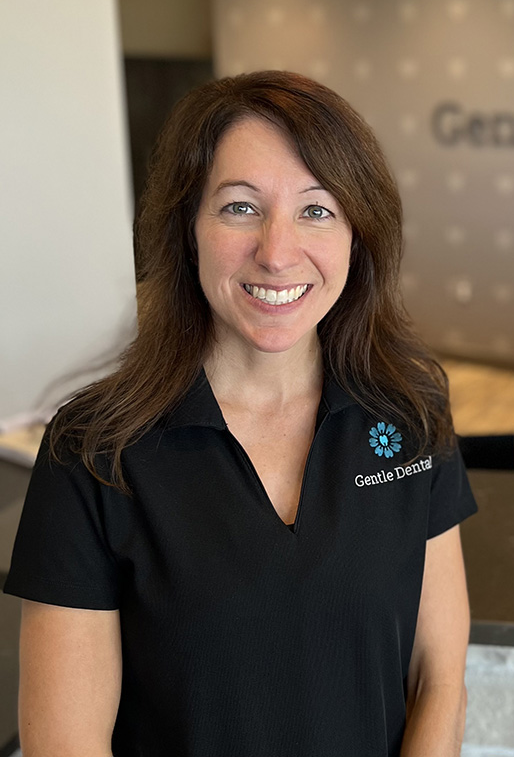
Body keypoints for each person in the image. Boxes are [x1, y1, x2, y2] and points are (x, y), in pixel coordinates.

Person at [4, 70, 477, 757]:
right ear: (187, 227)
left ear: (357, 233)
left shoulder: (408, 415)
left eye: (316, 209)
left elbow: (439, 676)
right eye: (239, 207)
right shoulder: (93, 450)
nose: (277, 251)